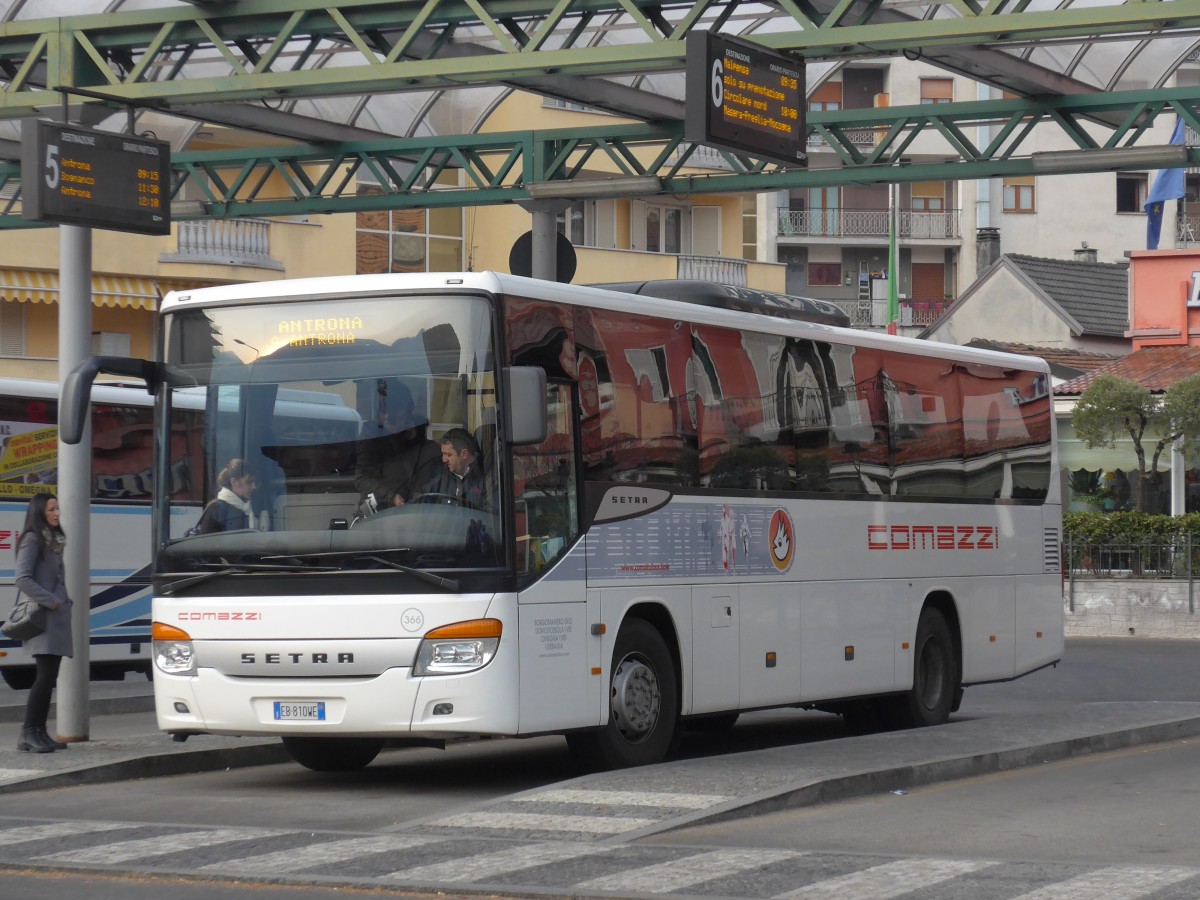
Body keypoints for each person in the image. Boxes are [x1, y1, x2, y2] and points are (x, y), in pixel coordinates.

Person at [12, 492, 73, 753]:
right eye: (51, 509)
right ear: (39, 512)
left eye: (57, 508)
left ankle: (39, 731)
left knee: (50, 677)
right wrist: (52, 600)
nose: (57, 513)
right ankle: (28, 732)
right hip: (43, 618)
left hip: (56, 619)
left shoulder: (53, 541)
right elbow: (22, 578)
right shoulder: (32, 539)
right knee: (44, 676)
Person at [354, 382, 441, 512]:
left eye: (396, 410)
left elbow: (423, 468)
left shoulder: (417, 438)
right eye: (384, 410)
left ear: (408, 411)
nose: (389, 416)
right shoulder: (371, 436)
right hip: (378, 509)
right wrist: (391, 496)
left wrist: (410, 437)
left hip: (415, 510)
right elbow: (362, 479)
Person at [420, 427, 493, 511]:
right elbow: (423, 499)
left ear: (464, 454)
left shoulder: (487, 477)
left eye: (449, 455)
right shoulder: (441, 476)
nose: (444, 460)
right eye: (443, 454)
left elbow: (490, 515)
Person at [194, 459, 265, 533]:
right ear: (234, 482)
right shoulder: (216, 509)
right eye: (249, 482)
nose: (254, 487)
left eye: (254, 482)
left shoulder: (245, 507)